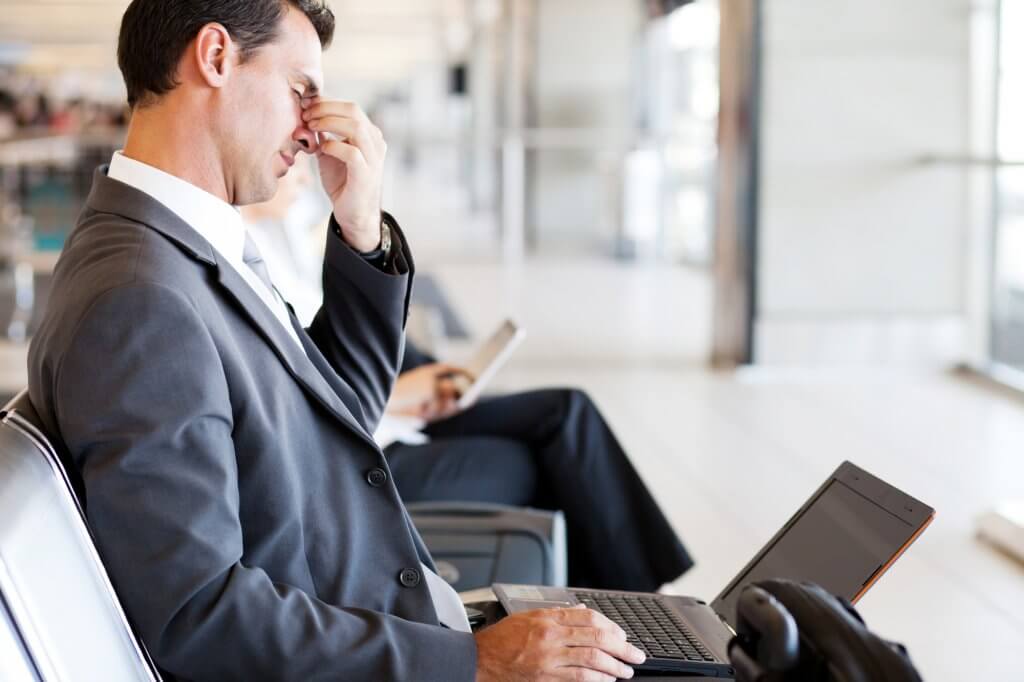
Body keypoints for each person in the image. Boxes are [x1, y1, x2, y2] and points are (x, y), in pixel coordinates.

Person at [26, 1, 647, 680]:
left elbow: (336, 410)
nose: (313, 127)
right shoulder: (140, 299)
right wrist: (475, 662)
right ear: (214, 57)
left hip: (385, 628)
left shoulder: (184, 244)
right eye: (301, 91)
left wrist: (362, 232)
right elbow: (197, 614)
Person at [385, 342, 695, 592]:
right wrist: (396, 396)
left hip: (393, 411)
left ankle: (629, 590)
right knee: (542, 460)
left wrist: (425, 374)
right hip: (371, 439)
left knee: (567, 412)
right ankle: (633, 595)